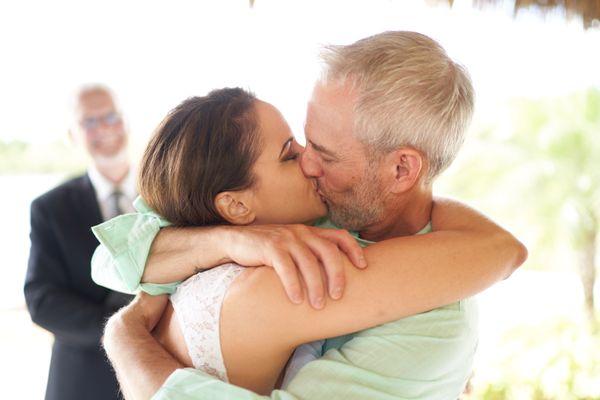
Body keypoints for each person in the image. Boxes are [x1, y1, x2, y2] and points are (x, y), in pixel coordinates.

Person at [99, 32, 528, 399]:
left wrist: (124, 338)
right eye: (301, 145)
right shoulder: (315, 212)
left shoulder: (435, 320)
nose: (307, 164)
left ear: (401, 170)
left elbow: (506, 251)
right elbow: (113, 255)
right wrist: (225, 240)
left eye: (323, 153)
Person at [24, 85, 135, 400]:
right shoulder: (49, 208)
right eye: (89, 121)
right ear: (72, 134)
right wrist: (123, 331)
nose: (104, 128)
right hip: (82, 380)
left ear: (126, 121)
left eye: (111, 116)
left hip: (162, 378)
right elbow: (42, 300)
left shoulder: (168, 196)